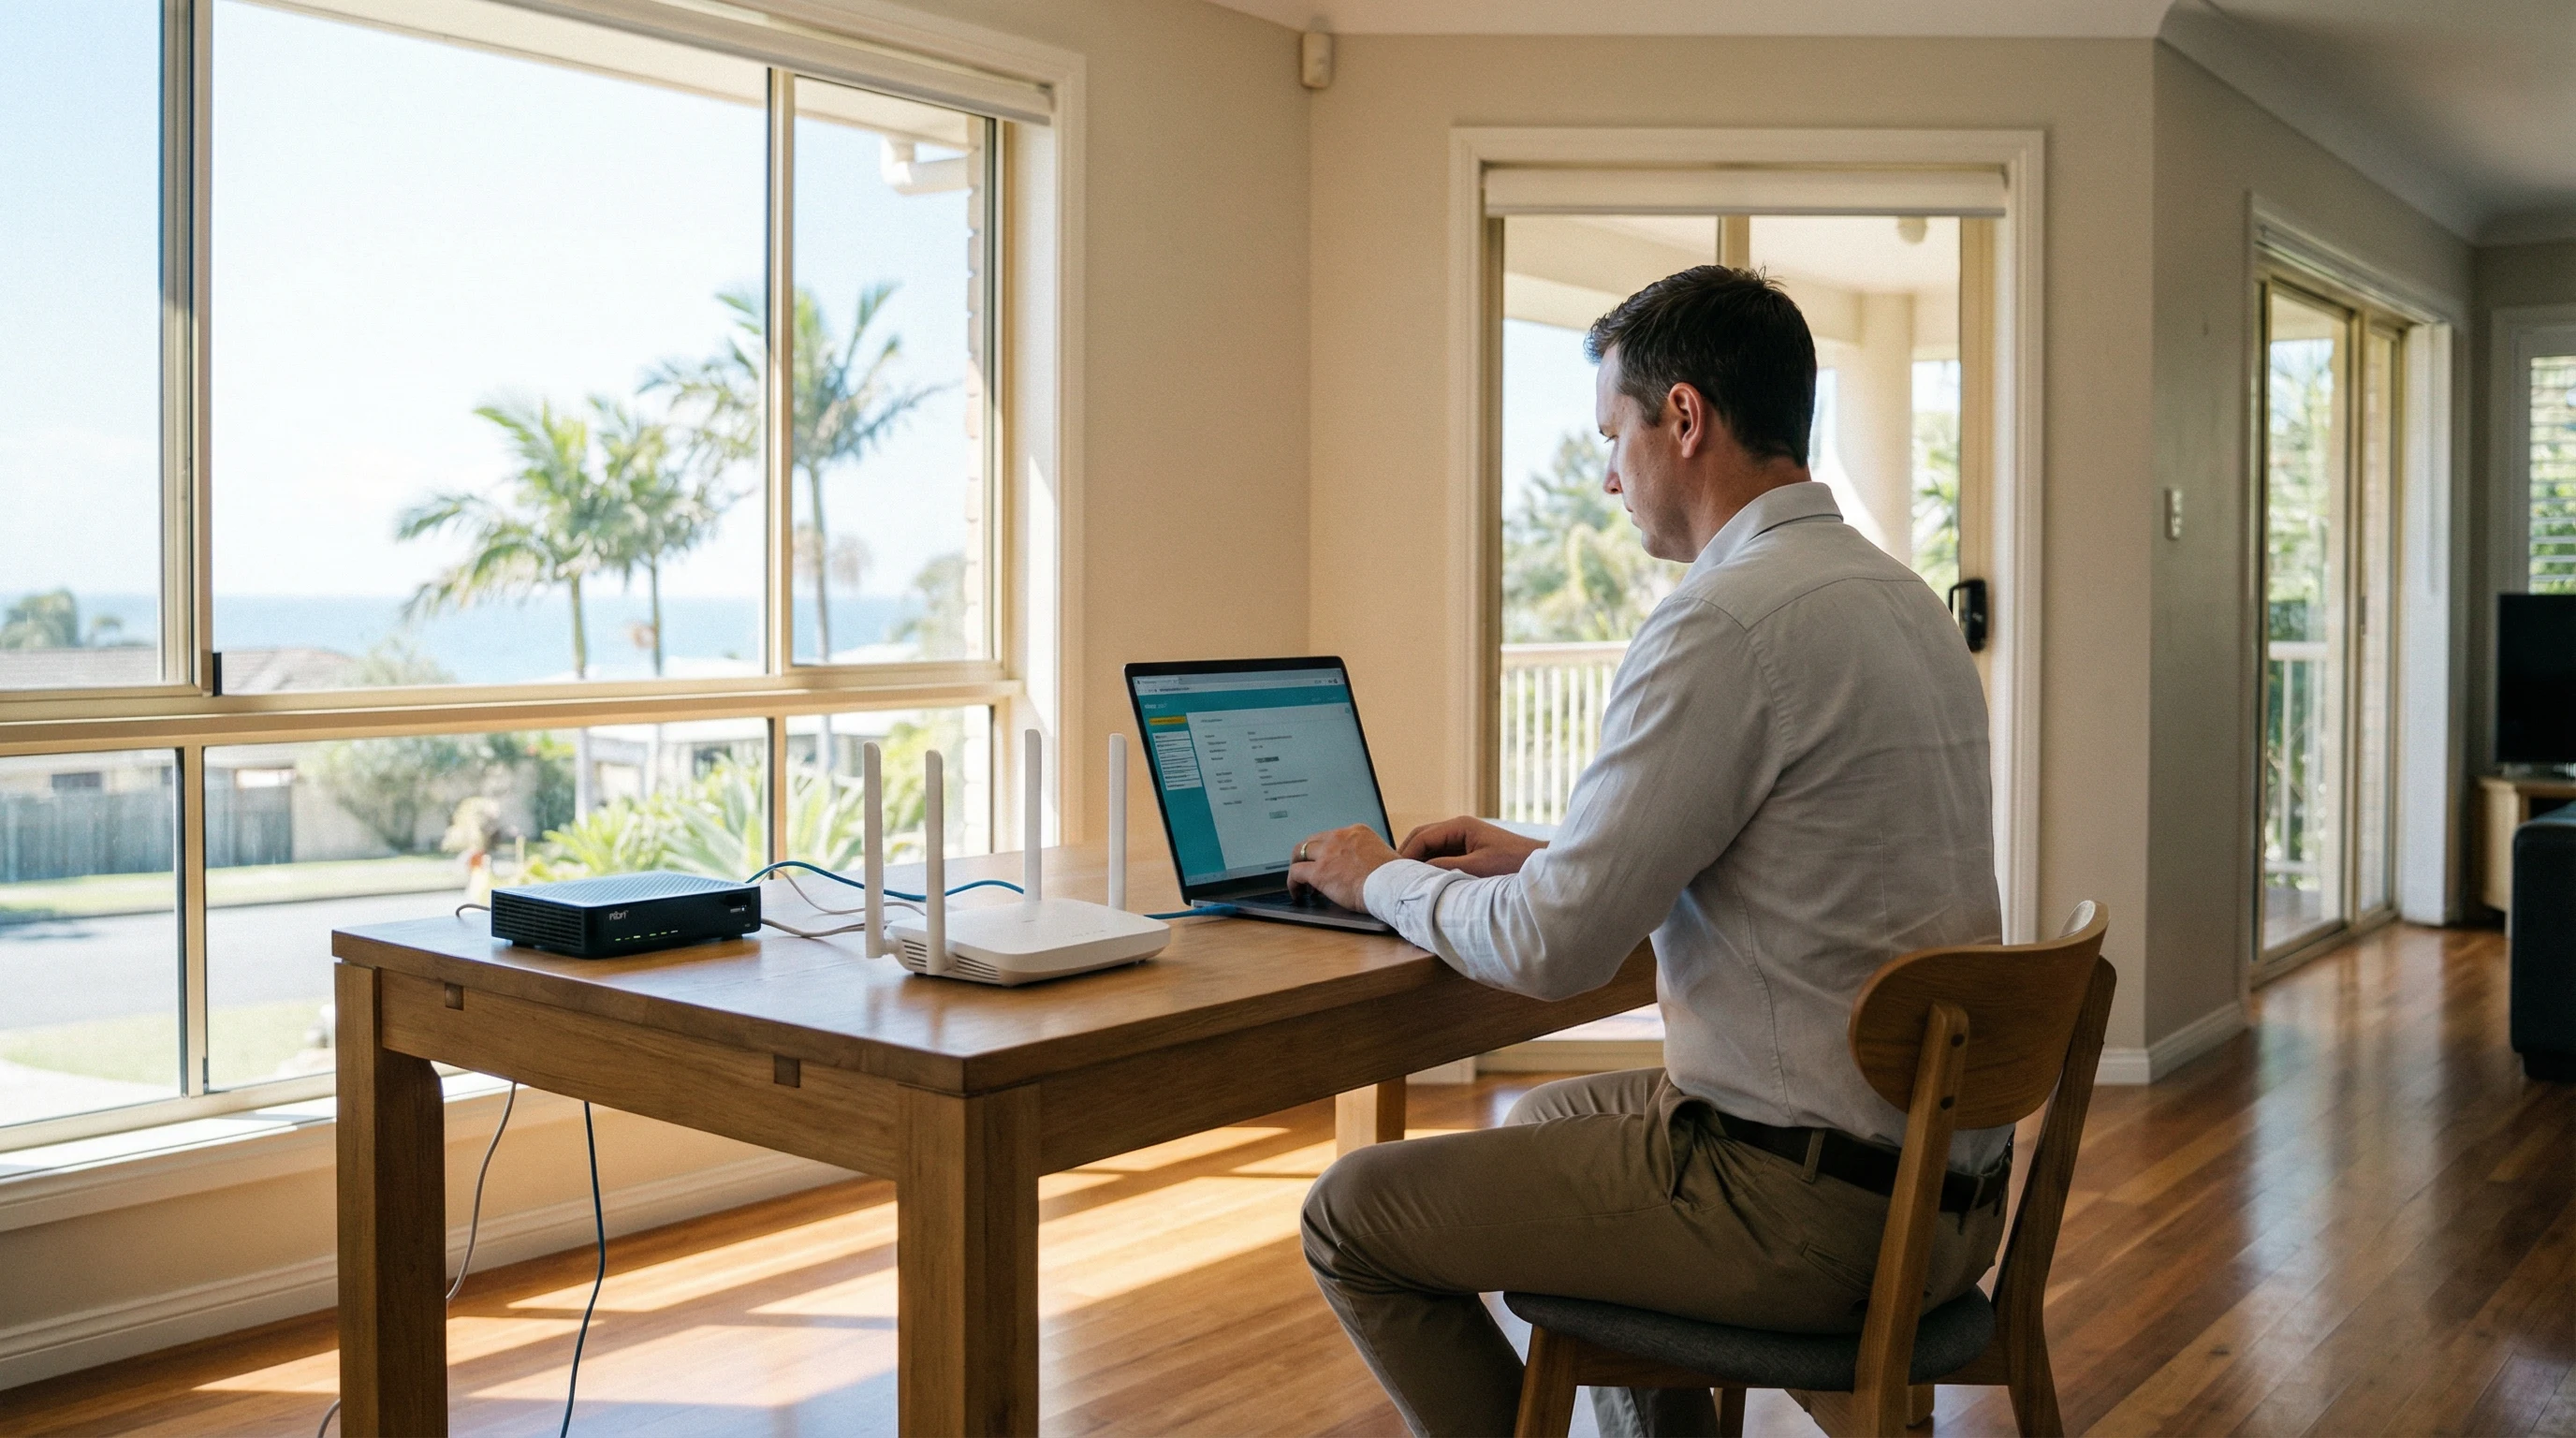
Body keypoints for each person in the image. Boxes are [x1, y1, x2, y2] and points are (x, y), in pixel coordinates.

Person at [1285, 265, 2004, 1438]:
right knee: (1543, 1123)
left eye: (1611, 435)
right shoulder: (1898, 599)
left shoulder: (1724, 619)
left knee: (1350, 1212)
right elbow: (1793, 858)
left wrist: (1380, 879)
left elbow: (1553, 951)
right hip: (1947, 1192)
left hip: (1810, 1214)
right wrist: (1553, 856)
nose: (1609, 475)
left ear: (1683, 417)